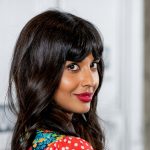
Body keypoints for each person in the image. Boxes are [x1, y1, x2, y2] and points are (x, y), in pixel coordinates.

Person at [7, 10, 105, 150]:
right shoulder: (72, 146)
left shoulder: (30, 135)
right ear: (40, 72)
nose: (90, 81)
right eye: (73, 67)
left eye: (93, 65)